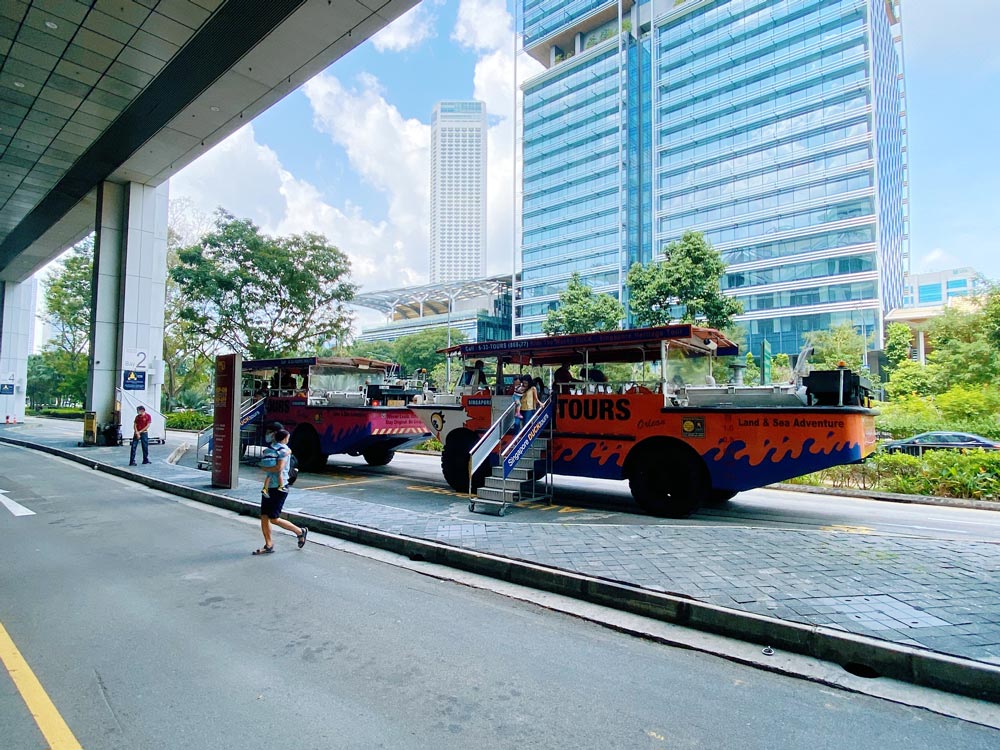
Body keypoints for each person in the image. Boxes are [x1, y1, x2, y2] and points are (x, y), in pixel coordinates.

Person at [253, 429, 308, 555]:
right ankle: (268, 544)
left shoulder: (282, 450)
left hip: (279, 486)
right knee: (264, 516)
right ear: (285, 438)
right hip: (271, 486)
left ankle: (299, 531)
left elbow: (279, 468)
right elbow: (277, 467)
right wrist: (266, 468)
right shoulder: (278, 449)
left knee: (273, 518)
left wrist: (264, 467)